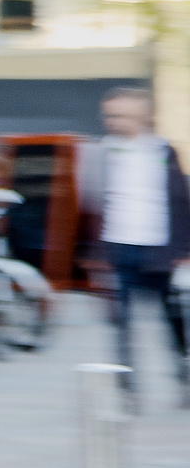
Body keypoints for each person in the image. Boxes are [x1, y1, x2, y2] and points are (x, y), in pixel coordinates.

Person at [82, 85, 190, 405]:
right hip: (118, 247)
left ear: (143, 116)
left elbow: (180, 201)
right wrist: (94, 252)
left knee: (171, 317)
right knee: (121, 323)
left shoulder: (163, 150)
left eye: (122, 115)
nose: (114, 122)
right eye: (110, 115)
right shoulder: (101, 152)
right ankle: (127, 387)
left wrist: (184, 249)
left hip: (158, 248)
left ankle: (182, 372)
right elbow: (91, 204)